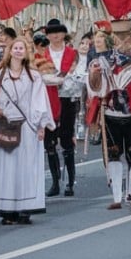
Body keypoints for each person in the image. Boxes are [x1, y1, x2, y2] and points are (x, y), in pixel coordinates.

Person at [0, 36, 53, 224]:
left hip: (27, 125)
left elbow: (39, 102)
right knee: (5, 169)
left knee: (25, 168)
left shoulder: (34, 76)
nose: (19, 51)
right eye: (15, 48)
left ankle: (24, 208)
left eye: (22, 48)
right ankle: (7, 210)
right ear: (10, 51)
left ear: (26, 52)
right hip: (4, 123)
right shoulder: (0, 75)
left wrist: (41, 125)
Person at [87, 35, 131, 209]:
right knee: (114, 155)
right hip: (110, 114)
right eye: (117, 37)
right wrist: (96, 75)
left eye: (125, 37)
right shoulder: (101, 60)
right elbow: (94, 88)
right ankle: (116, 195)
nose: (122, 42)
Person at [38, 19, 80, 198]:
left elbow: (76, 77)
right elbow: (41, 77)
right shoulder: (41, 55)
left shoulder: (73, 54)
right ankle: (55, 182)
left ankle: (70, 182)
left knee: (67, 140)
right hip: (48, 100)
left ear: (64, 34)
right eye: (51, 32)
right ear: (47, 35)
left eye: (58, 32)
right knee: (50, 142)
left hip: (68, 100)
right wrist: (57, 80)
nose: (55, 35)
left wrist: (58, 80)